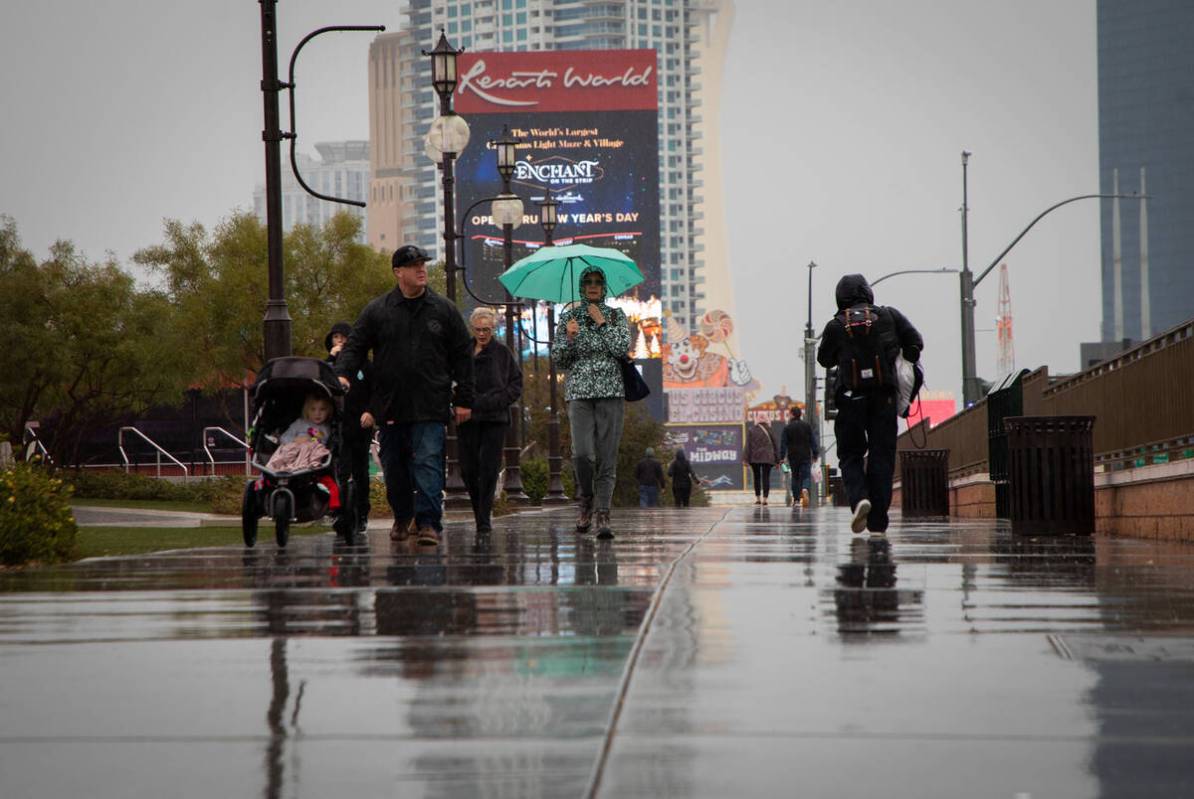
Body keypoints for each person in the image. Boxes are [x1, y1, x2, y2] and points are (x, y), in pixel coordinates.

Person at [335, 245, 474, 547]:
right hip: (391, 404)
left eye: (423, 264)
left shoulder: (444, 309)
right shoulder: (378, 310)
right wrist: (342, 373)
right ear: (399, 272)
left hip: (431, 403)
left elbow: (464, 355)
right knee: (394, 467)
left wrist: (464, 398)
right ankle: (402, 516)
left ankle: (428, 524)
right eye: (414, 266)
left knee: (427, 462)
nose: (421, 269)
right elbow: (356, 346)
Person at [817, 273, 923, 535]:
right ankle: (877, 521)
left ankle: (859, 499)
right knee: (881, 457)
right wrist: (902, 357)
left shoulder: (835, 325)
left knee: (850, 454)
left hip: (850, 399)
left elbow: (824, 360)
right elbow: (915, 342)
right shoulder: (889, 315)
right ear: (867, 292)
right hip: (883, 398)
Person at [553, 265, 631, 539]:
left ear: (604, 286)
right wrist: (570, 338)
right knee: (582, 454)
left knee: (607, 456)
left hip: (611, 392)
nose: (593, 285)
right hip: (579, 393)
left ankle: (603, 514)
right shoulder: (568, 318)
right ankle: (586, 499)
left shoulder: (616, 316)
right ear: (582, 286)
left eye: (598, 281)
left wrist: (602, 322)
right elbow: (559, 359)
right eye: (588, 282)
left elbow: (622, 348)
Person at [458, 307, 522, 534]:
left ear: (493, 329)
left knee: (488, 468)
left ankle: (484, 517)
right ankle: (479, 511)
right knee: (468, 469)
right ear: (472, 328)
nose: (482, 334)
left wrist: (495, 401)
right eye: (478, 329)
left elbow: (515, 385)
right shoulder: (462, 351)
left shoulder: (502, 353)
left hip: (494, 419)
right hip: (467, 419)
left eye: (486, 329)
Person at [326, 321, 373, 534]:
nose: (340, 342)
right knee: (340, 469)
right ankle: (339, 511)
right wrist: (331, 359)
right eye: (336, 338)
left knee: (361, 470)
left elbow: (376, 390)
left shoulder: (365, 365)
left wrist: (371, 412)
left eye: (344, 338)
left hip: (360, 424)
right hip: (338, 426)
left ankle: (362, 513)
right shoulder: (329, 365)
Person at [265, 393, 333, 472]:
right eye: (313, 409)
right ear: (307, 410)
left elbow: (324, 441)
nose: (317, 413)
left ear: (328, 411)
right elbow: (284, 437)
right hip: (294, 446)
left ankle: (300, 466)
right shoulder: (300, 423)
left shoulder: (325, 427)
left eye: (322, 409)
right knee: (285, 448)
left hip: (310, 451)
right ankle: (282, 465)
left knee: (315, 449)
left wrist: (313, 439)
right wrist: (295, 440)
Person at [779, 405, 819, 509]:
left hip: (793, 456)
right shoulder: (806, 426)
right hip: (805, 455)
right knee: (806, 475)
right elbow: (813, 441)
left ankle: (796, 500)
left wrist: (781, 457)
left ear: (792, 414)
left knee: (795, 477)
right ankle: (805, 489)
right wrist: (815, 454)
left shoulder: (788, 428)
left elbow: (783, 444)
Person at [744, 421, 778, 505]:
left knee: (756, 477)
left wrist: (745, 459)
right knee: (766, 477)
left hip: (755, 458)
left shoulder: (751, 430)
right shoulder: (770, 430)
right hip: (768, 458)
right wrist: (777, 460)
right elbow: (775, 445)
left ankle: (758, 498)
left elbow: (748, 445)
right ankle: (765, 499)